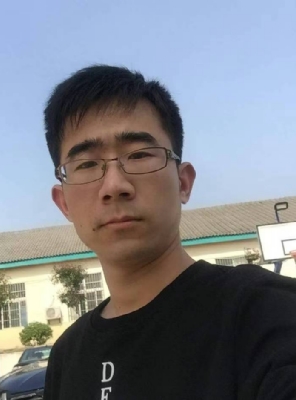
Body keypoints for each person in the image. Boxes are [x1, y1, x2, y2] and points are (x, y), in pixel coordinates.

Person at [43, 65, 296, 399]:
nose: (114, 185)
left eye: (139, 155)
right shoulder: (66, 356)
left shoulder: (267, 313)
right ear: (64, 203)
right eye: (86, 164)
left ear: (183, 182)